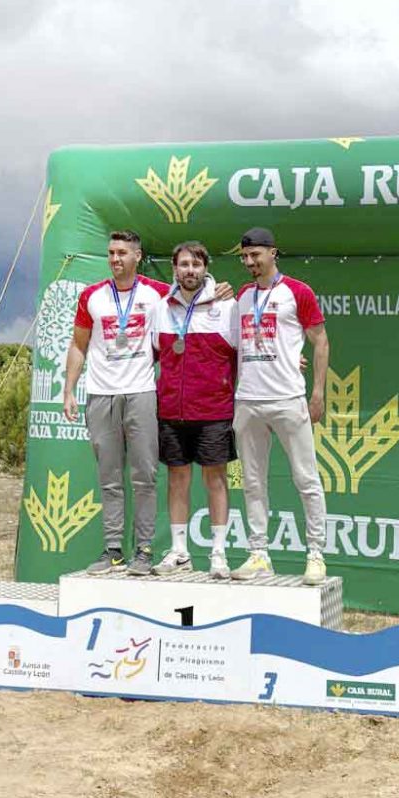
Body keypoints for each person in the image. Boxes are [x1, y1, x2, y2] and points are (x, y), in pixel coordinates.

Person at [63, 231, 168, 575]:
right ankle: (113, 550)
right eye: (110, 253)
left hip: (140, 391)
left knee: (144, 475)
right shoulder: (92, 296)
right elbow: (79, 345)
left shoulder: (157, 293)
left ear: (137, 256)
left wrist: (214, 288)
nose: (115, 259)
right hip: (101, 393)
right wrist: (69, 390)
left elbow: (195, 300)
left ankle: (144, 550)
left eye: (122, 252)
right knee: (109, 477)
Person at [230, 227, 330, 585]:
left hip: (288, 397)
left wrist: (317, 393)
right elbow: (236, 343)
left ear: (273, 253)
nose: (249, 263)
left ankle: (316, 554)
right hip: (248, 400)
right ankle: (259, 553)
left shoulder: (297, 291)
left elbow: (319, 341)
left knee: (306, 477)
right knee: (253, 481)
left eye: (255, 255)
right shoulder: (241, 296)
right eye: (244, 257)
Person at [152, 241, 237, 581]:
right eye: (184, 264)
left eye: (196, 265)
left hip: (214, 408)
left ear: (206, 268)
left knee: (215, 480)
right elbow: (158, 352)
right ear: (175, 269)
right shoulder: (162, 307)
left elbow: (247, 351)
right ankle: (179, 551)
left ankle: (218, 553)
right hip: (173, 409)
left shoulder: (227, 306)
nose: (190, 270)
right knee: (177, 479)